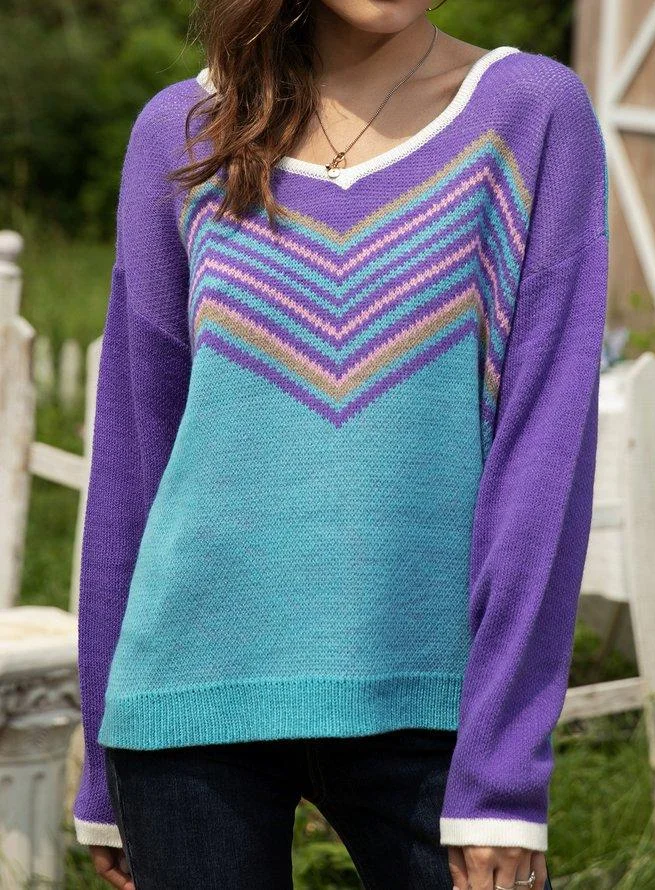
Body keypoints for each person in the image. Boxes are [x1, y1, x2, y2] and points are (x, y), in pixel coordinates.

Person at [71, 1, 609, 888]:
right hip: (184, 709)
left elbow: (542, 468)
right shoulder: (183, 131)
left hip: (435, 712)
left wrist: (503, 775)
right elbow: (133, 455)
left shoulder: (529, 114)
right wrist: (102, 761)